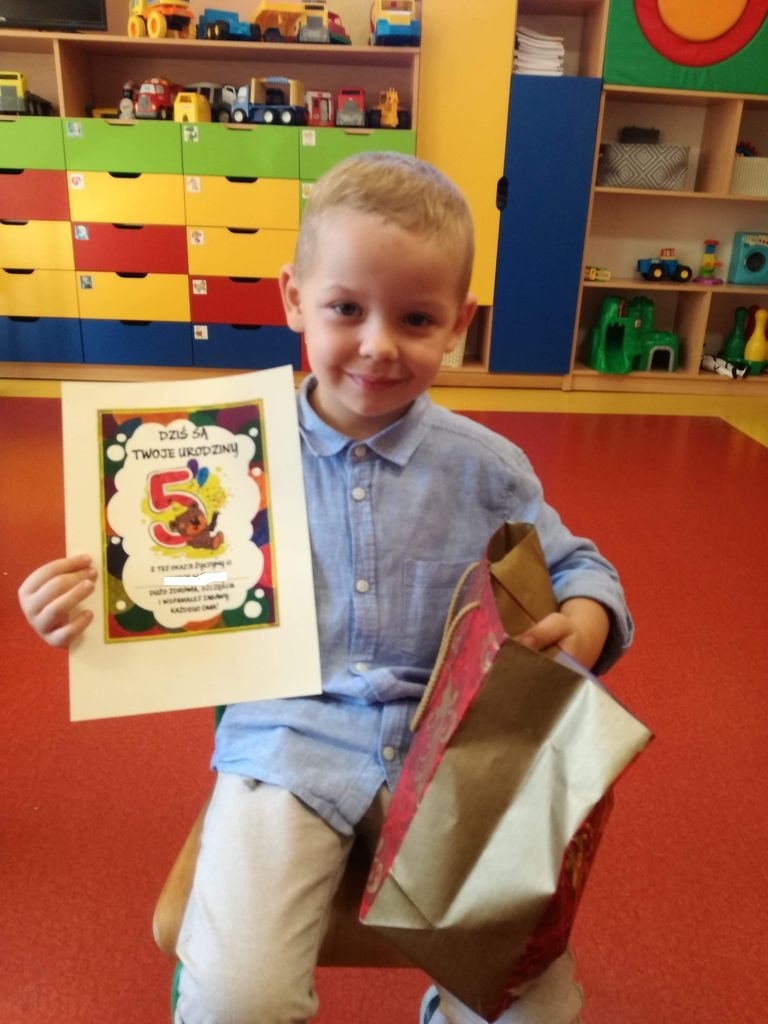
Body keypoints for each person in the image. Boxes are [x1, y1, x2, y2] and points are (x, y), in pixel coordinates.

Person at [18, 152, 633, 1024]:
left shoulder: (488, 469)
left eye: (415, 318)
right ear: (293, 299)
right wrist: (70, 612)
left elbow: (580, 565)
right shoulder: (221, 453)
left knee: (532, 1002)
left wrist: (587, 615)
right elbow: (140, 589)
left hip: (452, 756)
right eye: (346, 309)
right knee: (236, 998)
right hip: (286, 744)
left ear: (458, 323)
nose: (379, 345)